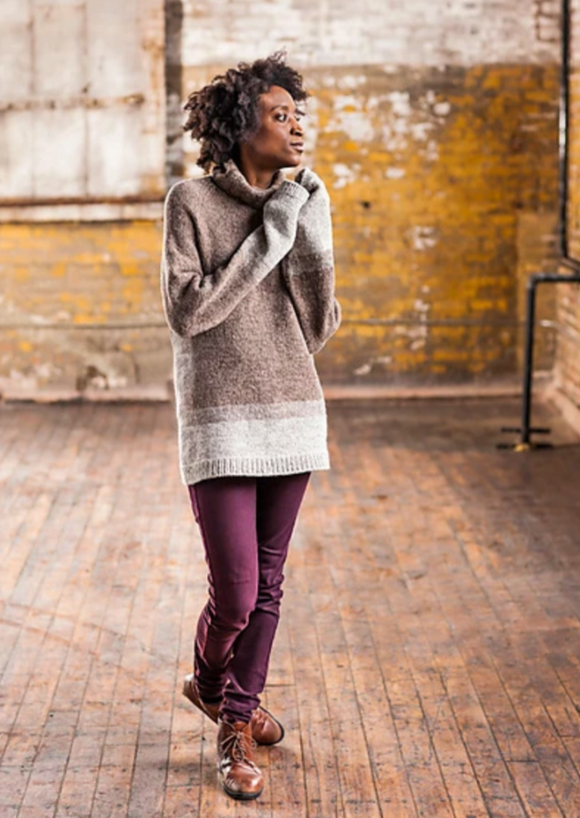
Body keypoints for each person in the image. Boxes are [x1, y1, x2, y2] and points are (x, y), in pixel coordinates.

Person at [160, 51, 341, 801]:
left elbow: (320, 326)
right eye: (280, 116)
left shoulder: (302, 201)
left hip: (293, 411)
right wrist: (268, 234)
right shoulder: (191, 203)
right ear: (241, 128)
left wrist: (311, 230)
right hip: (219, 421)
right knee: (234, 591)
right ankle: (209, 678)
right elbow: (190, 311)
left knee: (268, 586)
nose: (297, 127)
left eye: (300, 115)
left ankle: (235, 721)